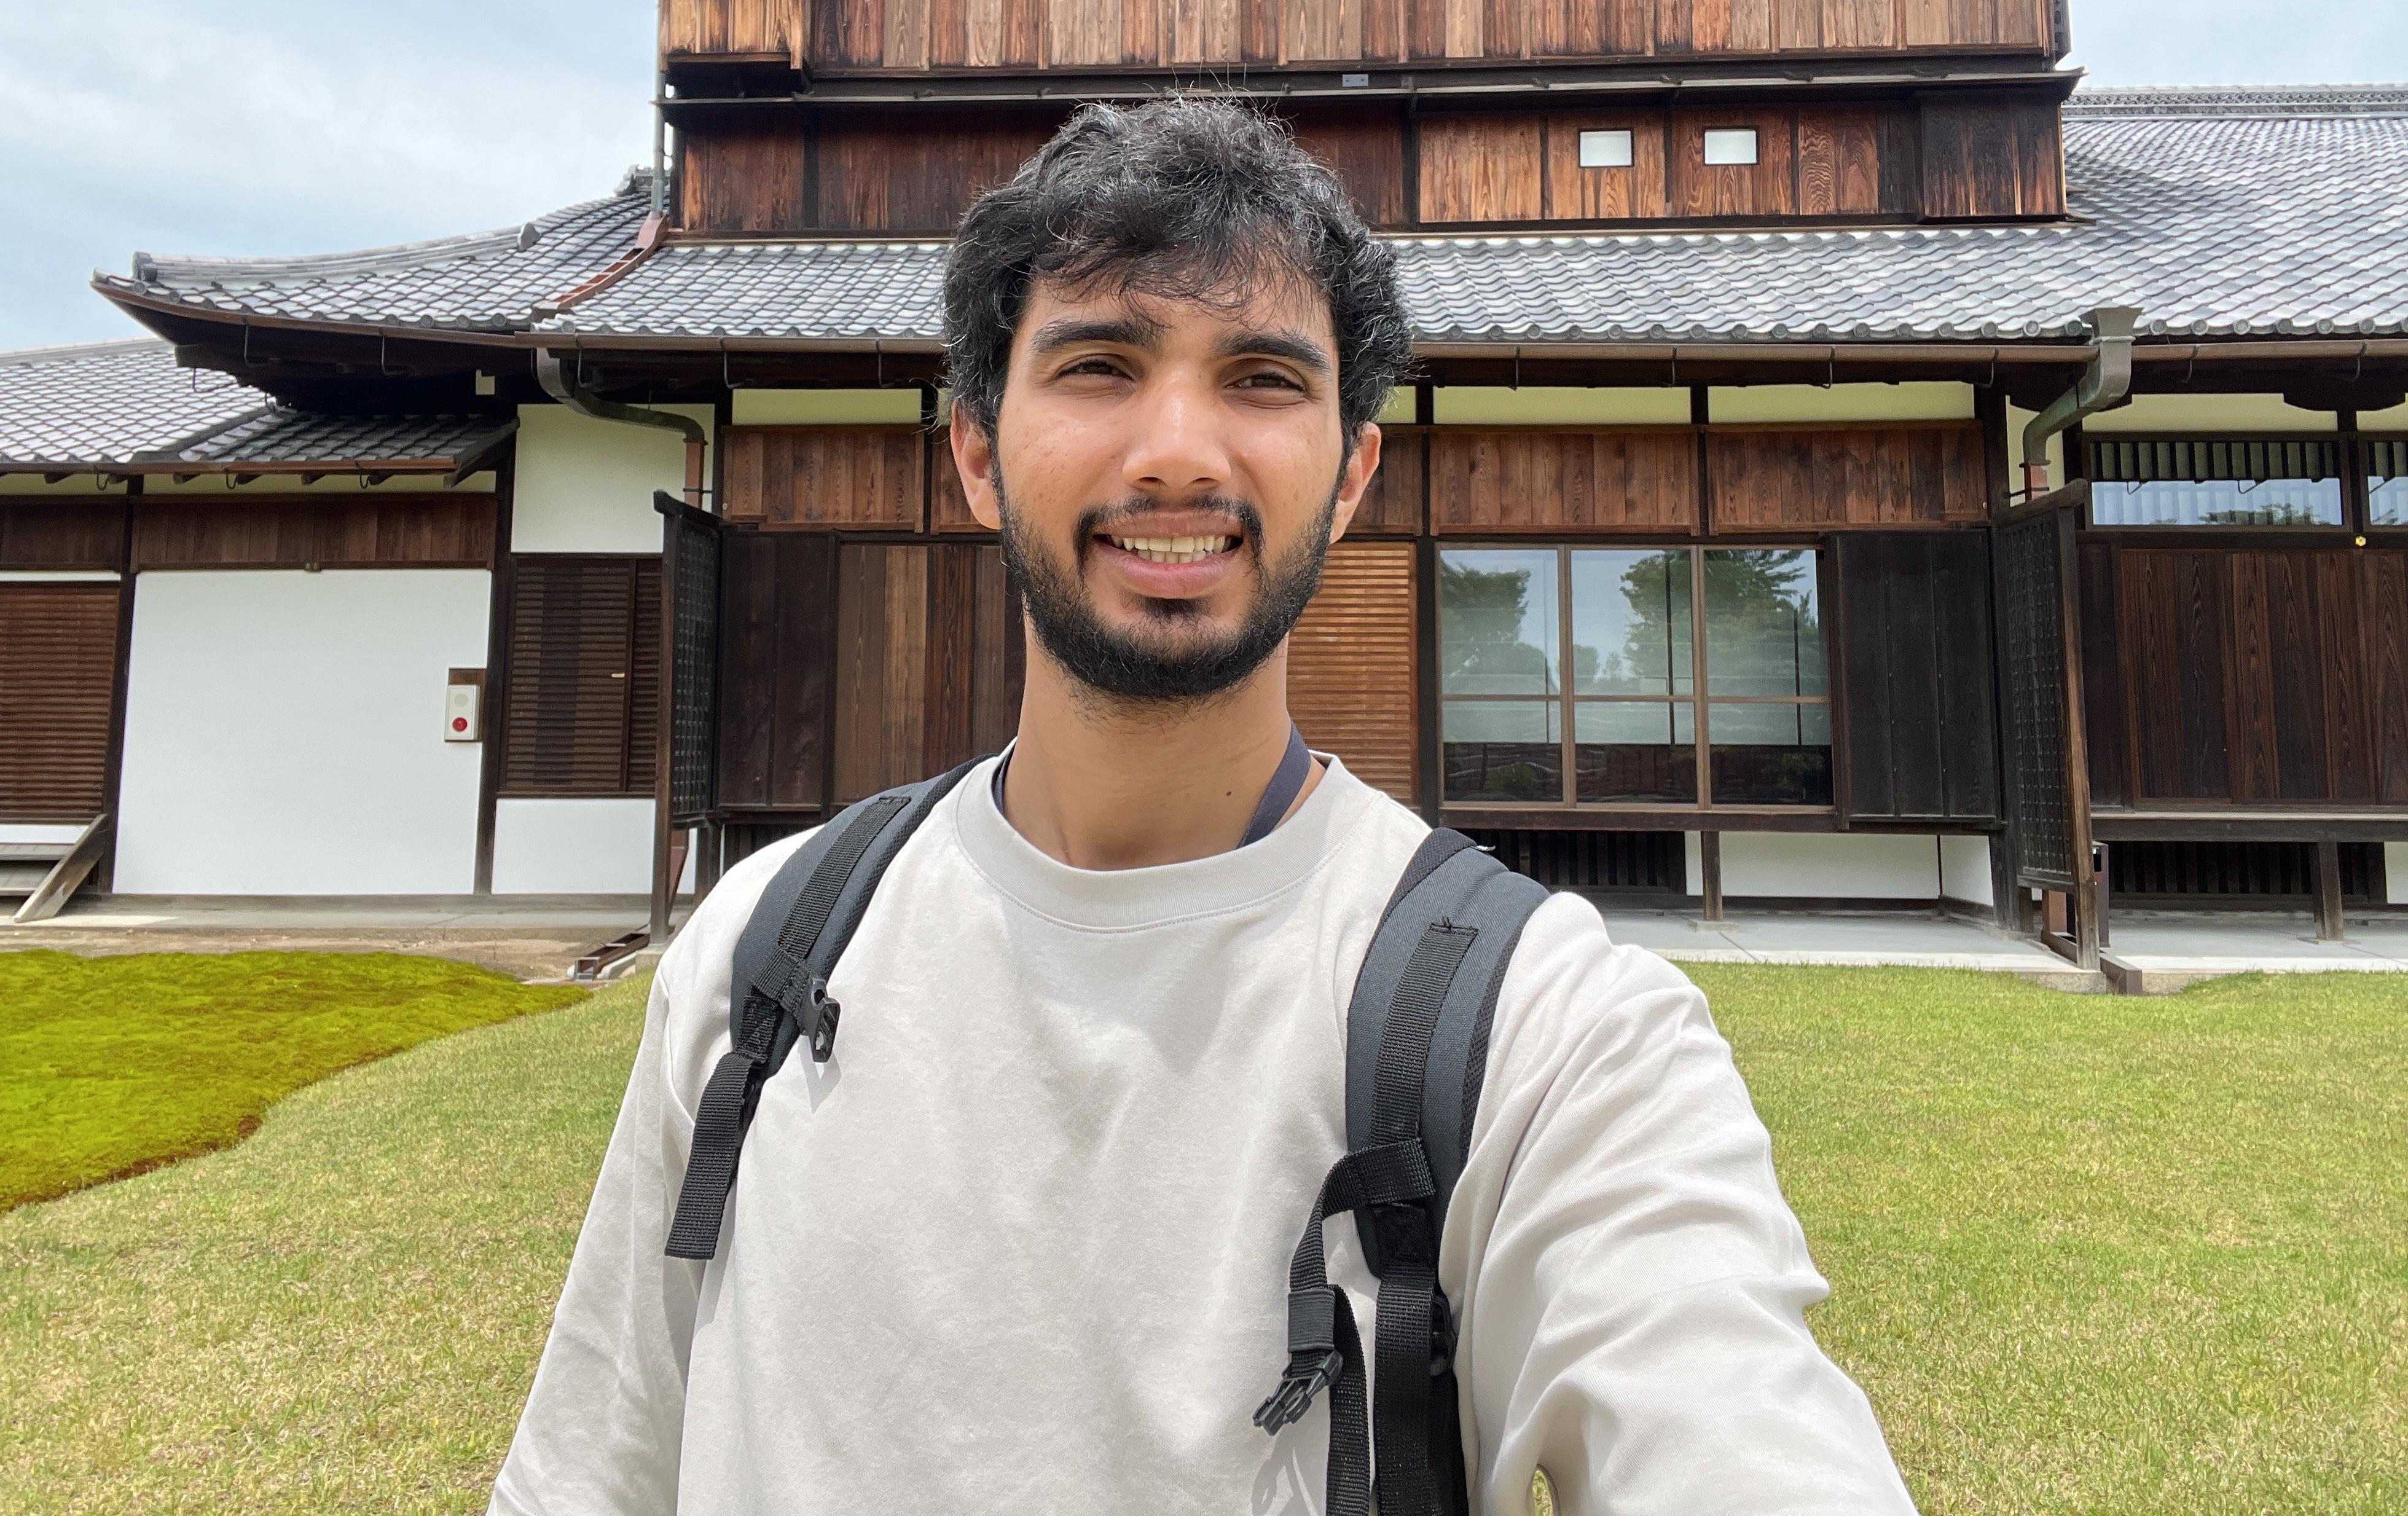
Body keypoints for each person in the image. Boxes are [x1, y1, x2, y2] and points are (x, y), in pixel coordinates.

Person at [490, 99, 1916, 1515]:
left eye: (1262, 378)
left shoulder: (1544, 1028)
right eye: (1101, 365)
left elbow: (1729, 1414)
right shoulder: (767, 944)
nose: (1177, 450)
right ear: (977, 452)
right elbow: (588, 1475)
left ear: (1353, 471)